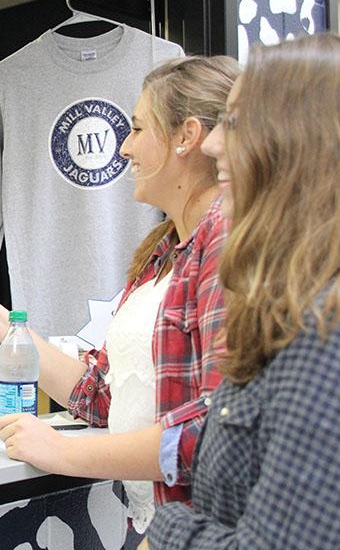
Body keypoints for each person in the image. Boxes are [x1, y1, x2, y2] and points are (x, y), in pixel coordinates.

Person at [0, 55, 240, 532]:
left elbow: (217, 430)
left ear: (186, 137)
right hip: (162, 522)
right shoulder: (163, 253)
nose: (125, 148)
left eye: (139, 129)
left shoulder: (227, 241)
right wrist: (3, 324)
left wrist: (64, 451)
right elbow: (102, 393)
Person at [144, 34, 340, 549]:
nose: (213, 144)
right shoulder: (298, 311)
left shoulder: (320, 335)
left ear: (296, 140)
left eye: (233, 122)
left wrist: (167, 531)